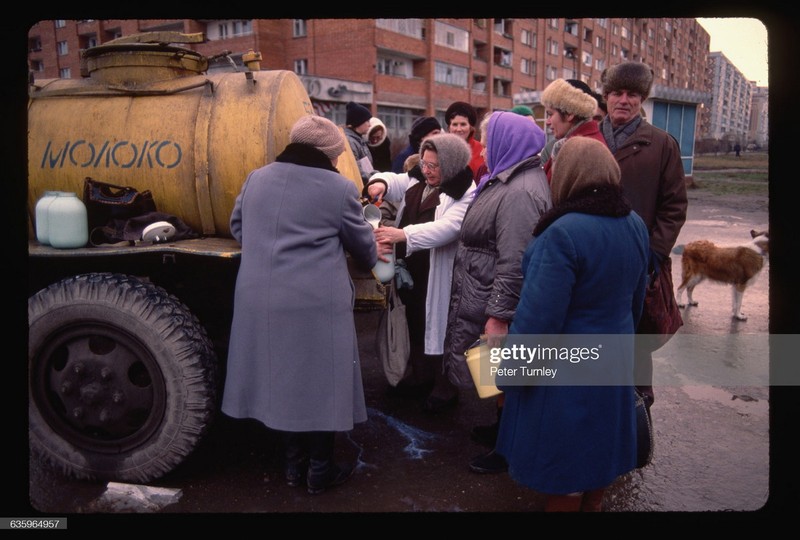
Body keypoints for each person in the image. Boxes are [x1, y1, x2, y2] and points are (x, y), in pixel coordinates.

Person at [222, 115, 378, 495]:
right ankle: (319, 472)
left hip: (259, 296)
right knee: (321, 384)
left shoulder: (256, 177)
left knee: (284, 382)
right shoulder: (339, 188)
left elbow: (238, 227)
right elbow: (366, 249)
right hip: (314, 302)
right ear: (329, 153)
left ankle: (293, 468)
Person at [494, 136, 650, 512]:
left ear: (565, 176)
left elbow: (537, 321)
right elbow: (636, 302)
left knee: (564, 478)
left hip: (566, 377)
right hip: (612, 366)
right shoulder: (633, 223)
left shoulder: (562, 233)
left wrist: (508, 375)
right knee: (599, 464)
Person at [441, 111, 552, 429]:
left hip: (495, 300)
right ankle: (502, 432)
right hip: (486, 291)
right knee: (500, 376)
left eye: (489, 145)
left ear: (507, 144)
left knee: (506, 372)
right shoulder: (507, 178)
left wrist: (499, 315)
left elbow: (515, 260)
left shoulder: (519, 193)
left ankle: (507, 443)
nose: (484, 152)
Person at [598, 60, 688, 408]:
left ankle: (637, 414)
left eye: (632, 94)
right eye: (617, 92)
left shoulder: (662, 145)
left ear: (642, 100)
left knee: (635, 341)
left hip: (637, 263)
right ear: (606, 97)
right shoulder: (586, 138)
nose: (624, 100)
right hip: (590, 259)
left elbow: (674, 206)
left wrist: (653, 253)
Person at [365, 134, 476, 401]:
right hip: (412, 265)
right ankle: (420, 375)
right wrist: (378, 182)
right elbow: (394, 180)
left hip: (438, 269)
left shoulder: (465, 190)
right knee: (414, 319)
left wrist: (403, 235)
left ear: (449, 165)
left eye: (433, 166)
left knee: (440, 326)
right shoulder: (419, 178)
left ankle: (444, 386)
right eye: (424, 164)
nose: (426, 170)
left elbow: (448, 228)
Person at [541, 78, 607, 181]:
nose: (548, 122)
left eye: (550, 114)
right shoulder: (575, 144)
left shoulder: (583, 151)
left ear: (569, 113)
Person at [445, 101, 485, 181]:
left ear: (471, 127)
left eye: (463, 124)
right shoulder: (440, 150)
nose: (459, 129)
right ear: (449, 128)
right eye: (454, 124)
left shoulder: (482, 150)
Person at [344, 101, 378, 184]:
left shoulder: (359, 140)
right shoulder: (350, 142)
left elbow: (368, 169)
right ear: (358, 122)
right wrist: (377, 178)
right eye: (367, 121)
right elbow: (356, 171)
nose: (370, 125)